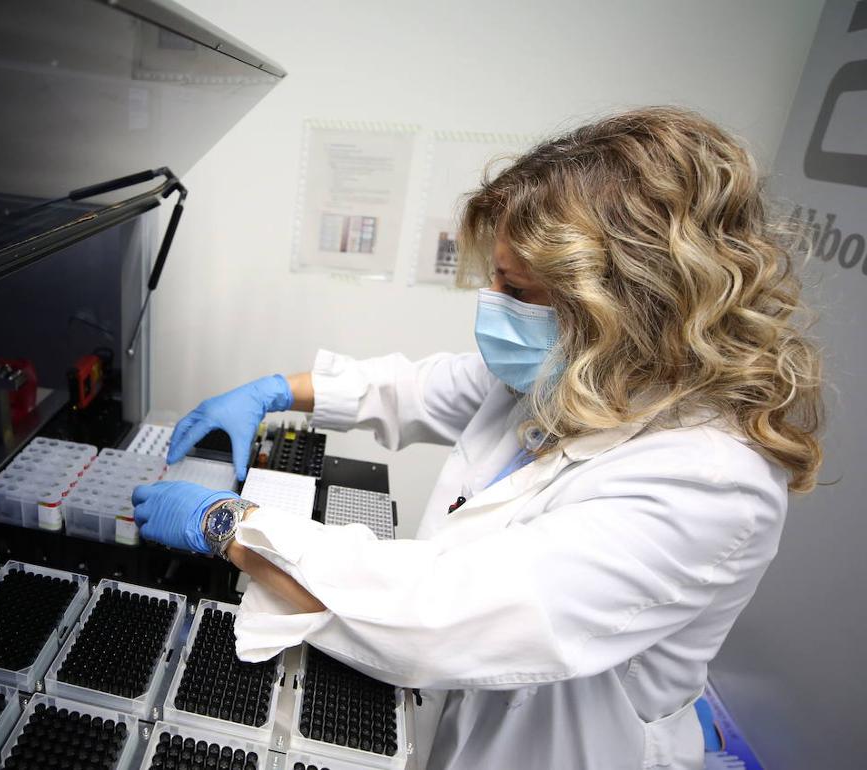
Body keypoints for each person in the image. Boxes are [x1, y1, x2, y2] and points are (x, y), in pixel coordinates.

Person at [131, 107, 823, 770]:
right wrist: (274, 390)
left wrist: (225, 522)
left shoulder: (707, 481)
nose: (492, 304)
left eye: (516, 289)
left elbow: (436, 616)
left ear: (626, 309)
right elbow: (417, 387)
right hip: (456, 705)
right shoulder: (573, 375)